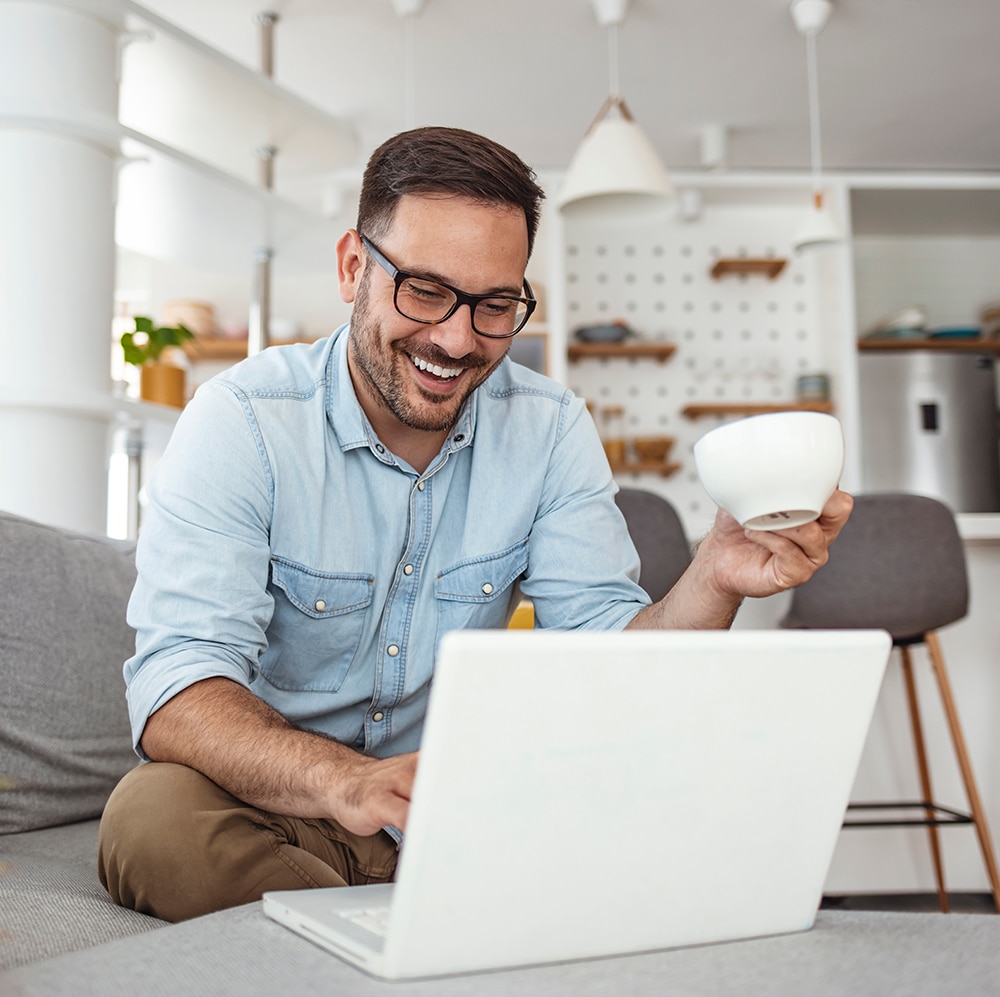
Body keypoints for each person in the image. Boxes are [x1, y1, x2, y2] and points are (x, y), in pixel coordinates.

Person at [98, 126, 852, 922]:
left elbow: (609, 662)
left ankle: (397, 924)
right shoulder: (243, 420)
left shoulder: (551, 428)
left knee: (698, 789)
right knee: (155, 826)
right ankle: (441, 923)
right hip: (285, 805)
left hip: (461, 806)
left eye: (495, 306)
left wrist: (715, 575)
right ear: (354, 267)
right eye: (424, 291)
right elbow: (178, 688)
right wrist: (344, 780)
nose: (457, 341)